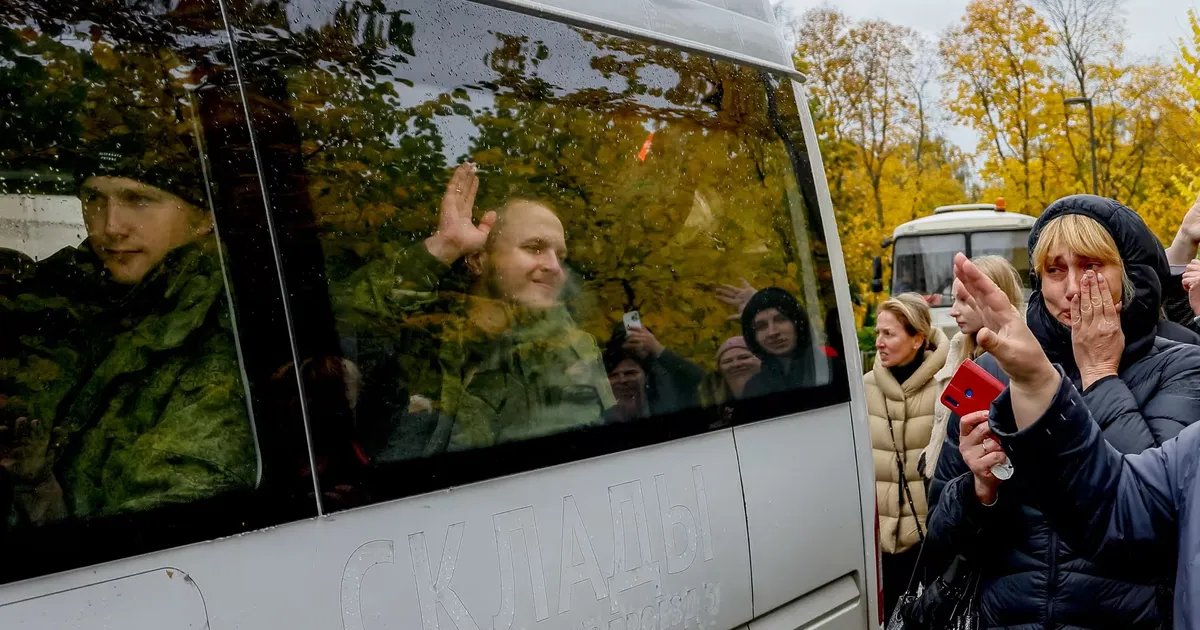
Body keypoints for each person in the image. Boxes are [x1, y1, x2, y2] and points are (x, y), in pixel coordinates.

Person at [927, 195, 1200, 630]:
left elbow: (1157, 525)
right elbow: (940, 536)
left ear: (1129, 276)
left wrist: (1099, 373)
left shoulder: (1183, 365)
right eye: (1055, 270)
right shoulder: (995, 370)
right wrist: (979, 490)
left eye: (1091, 265)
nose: (1072, 288)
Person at [0, 163, 257, 525]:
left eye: (138, 199)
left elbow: (164, 532)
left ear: (203, 219)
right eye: (93, 198)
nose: (110, 227)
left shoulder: (226, 330)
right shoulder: (61, 302)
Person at [333, 163, 615, 453]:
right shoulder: (422, 337)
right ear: (479, 260)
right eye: (534, 248)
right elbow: (342, 324)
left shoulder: (574, 347)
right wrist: (444, 246)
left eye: (561, 255)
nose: (555, 267)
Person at [864, 293, 950, 620]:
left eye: (889, 334)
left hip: (929, 543)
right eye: (878, 333)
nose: (880, 342)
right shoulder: (864, 389)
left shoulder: (944, 387)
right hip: (880, 548)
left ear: (917, 339)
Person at [920, 255, 1024, 481]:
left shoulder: (1019, 361)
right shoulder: (958, 349)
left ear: (996, 298)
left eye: (964, 301)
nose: (953, 311)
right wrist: (931, 453)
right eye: (954, 300)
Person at [602, 325, 704, 424]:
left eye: (630, 373)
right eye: (614, 376)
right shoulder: (598, 408)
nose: (622, 380)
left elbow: (699, 379)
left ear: (645, 377)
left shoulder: (664, 391)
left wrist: (658, 350)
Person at [740, 287, 814, 397]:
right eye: (761, 326)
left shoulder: (829, 371)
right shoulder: (753, 389)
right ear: (753, 337)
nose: (772, 332)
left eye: (781, 319)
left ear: (797, 324)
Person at [698, 336, 762, 408]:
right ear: (720, 369)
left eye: (744, 357)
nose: (736, 364)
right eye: (727, 361)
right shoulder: (709, 403)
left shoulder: (775, 390)